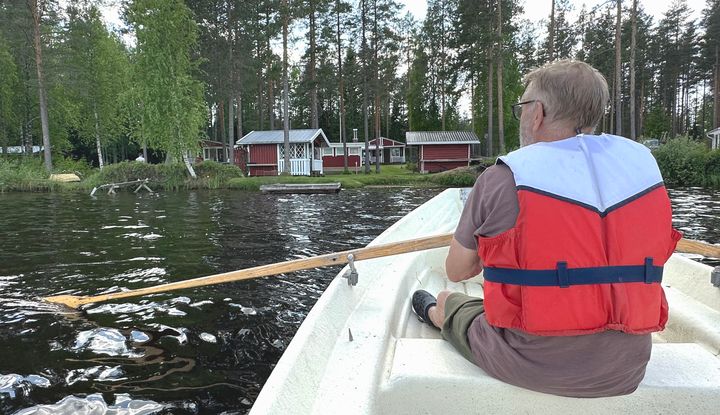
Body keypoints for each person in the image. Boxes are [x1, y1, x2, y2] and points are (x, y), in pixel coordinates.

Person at [411, 60, 681, 398]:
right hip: (627, 366)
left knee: (451, 297)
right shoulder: (641, 172)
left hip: (532, 363)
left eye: (521, 107)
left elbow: (457, 268)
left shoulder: (501, 178)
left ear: (537, 113)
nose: (521, 115)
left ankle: (437, 313)